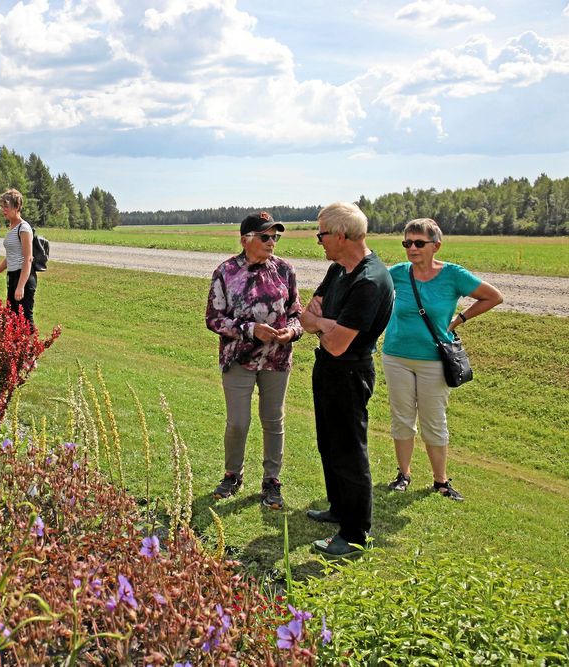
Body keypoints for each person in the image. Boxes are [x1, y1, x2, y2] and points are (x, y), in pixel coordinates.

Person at [382, 218, 503, 501]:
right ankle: (404, 474)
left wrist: (458, 320)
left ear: (436, 245)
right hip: (396, 356)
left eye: (418, 243)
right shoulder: (398, 273)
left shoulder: (453, 275)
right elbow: (370, 291)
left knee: (433, 420)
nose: (412, 248)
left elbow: (493, 297)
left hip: (434, 360)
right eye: (407, 243)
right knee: (401, 419)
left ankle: (441, 481)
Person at [300, 202, 394, 557]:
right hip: (327, 368)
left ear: (340, 235)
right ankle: (339, 508)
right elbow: (308, 314)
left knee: (349, 451)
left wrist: (322, 325)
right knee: (328, 442)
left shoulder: (369, 281)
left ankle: (354, 534)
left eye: (321, 234)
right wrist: (324, 325)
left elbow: (338, 344)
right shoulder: (339, 269)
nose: (318, 241)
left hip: (349, 371)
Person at [205, 212, 303, 510]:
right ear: (245, 240)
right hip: (238, 359)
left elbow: (296, 313)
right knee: (238, 422)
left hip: (277, 359)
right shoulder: (226, 272)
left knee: (273, 421)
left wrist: (292, 331)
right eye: (265, 236)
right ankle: (233, 474)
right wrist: (250, 330)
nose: (272, 242)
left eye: (275, 236)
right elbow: (213, 319)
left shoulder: (285, 271)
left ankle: (272, 481)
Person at [0, 189, 37, 324]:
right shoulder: (12, 227)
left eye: (6, 207)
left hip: (23, 277)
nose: (3, 210)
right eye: (2, 207)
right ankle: (18, 345)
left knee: (25, 318)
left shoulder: (24, 228)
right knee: (13, 317)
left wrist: (20, 286)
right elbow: (11, 257)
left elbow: (28, 259)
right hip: (12, 275)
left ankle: (32, 345)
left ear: (16, 207)